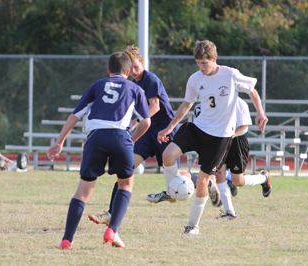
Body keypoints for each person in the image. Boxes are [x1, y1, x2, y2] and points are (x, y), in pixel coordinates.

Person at [86, 46, 222, 226]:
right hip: (147, 133)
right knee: (125, 168)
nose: (133, 71)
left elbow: (155, 106)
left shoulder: (151, 80)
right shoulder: (131, 83)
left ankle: (207, 183)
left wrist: (134, 122)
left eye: (136, 66)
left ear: (142, 63)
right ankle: (111, 213)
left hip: (164, 131)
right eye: (130, 68)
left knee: (174, 181)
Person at [150, 40, 268, 235]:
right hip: (198, 128)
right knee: (168, 155)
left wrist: (260, 113)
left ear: (214, 59)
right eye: (198, 63)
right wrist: (170, 127)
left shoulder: (230, 74)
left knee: (204, 179)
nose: (201, 67)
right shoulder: (195, 79)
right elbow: (187, 105)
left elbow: (252, 91)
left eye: (204, 63)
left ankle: (193, 226)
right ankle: (173, 192)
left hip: (219, 137)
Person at [48, 52, 151, 250]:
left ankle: (67, 239)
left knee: (83, 191)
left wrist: (59, 141)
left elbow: (74, 116)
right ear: (128, 72)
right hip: (120, 137)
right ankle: (112, 229)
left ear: (108, 70)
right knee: (126, 185)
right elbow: (146, 122)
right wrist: (131, 140)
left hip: (95, 137)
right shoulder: (134, 88)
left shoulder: (97, 85)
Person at [212, 98, 272, 221]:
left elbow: (244, 125)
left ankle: (263, 178)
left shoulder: (239, 102)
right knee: (219, 174)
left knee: (238, 181)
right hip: (221, 140)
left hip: (237, 142)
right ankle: (230, 213)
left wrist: (231, 135)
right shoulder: (217, 98)